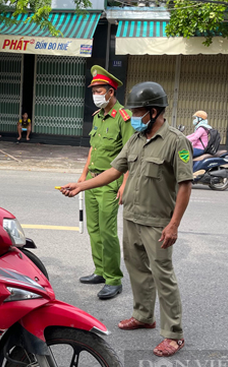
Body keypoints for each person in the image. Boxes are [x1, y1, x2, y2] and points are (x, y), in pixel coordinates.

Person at [60, 82, 193, 357]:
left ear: (153, 112)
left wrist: (174, 224)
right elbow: (114, 170)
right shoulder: (135, 139)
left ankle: (174, 334)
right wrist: (80, 185)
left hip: (158, 221)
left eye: (138, 111)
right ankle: (144, 316)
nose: (133, 115)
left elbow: (184, 185)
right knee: (137, 270)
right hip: (132, 216)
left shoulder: (175, 142)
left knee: (162, 275)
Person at [79, 65, 134, 300]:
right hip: (93, 180)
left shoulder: (124, 118)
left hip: (111, 182)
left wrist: (124, 184)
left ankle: (113, 279)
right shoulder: (99, 117)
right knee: (93, 229)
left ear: (111, 92)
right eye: (93, 91)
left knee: (108, 231)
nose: (95, 95)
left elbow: (131, 153)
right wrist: (83, 174)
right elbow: (94, 148)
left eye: (99, 91)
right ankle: (100, 271)